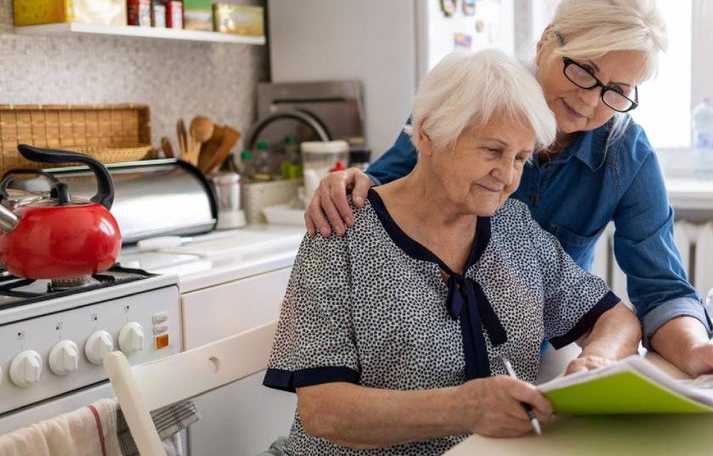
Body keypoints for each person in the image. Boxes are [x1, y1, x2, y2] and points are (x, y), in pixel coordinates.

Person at [304, 0, 713, 379]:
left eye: (617, 91)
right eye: (585, 70)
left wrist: (699, 348)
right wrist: (349, 181)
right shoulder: (475, 99)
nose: (590, 101)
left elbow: (661, 289)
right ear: (547, 41)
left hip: (530, 358)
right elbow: (384, 191)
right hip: (422, 359)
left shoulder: (626, 154)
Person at [263, 48, 642, 454]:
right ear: (427, 134)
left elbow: (615, 318)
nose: (507, 175)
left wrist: (597, 362)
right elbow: (323, 411)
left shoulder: (514, 228)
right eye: (492, 151)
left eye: (520, 158)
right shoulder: (342, 229)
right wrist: (465, 408)